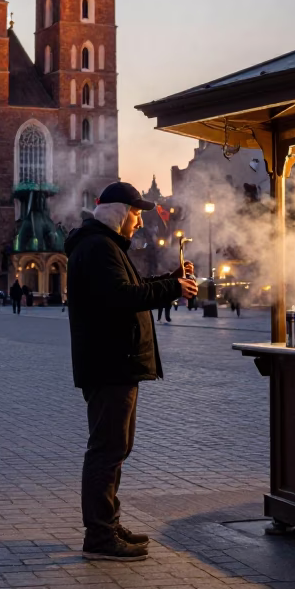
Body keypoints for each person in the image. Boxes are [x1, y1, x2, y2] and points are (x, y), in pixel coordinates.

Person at [66, 182, 198, 562]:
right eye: (136, 213)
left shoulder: (104, 247)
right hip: (110, 363)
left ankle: (108, 522)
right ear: (120, 213)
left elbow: (134, 288)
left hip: (116, 363)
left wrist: (172, 280)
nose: (140, 221)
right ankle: (100, 535)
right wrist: (173, 288)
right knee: (107, 450)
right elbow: (122, 298)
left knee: (116, 448)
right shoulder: (97, 248)